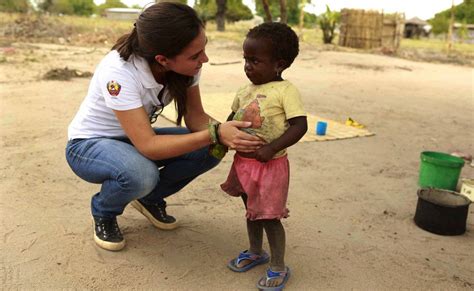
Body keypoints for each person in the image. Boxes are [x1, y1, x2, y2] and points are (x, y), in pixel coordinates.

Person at [65, 2, 263, 252]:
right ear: (162, 60)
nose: (205, 59)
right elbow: (149, 146)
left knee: (211, 148)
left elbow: (196, 118)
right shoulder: (118, 72)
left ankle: (149, 199)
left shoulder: (187, 67)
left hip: (134, 140)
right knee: (142, 173)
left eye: (204, 48)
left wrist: (234, 133)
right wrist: (215, 132)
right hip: (88, 146)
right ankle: (104, 211)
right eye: (195, 55)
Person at [220, 22, 307, 290]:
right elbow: (231, 119)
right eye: (245, 59)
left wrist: (270, 148)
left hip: (270, 166)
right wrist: (221, 139)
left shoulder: (285, 91)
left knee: (269, 216)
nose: (247, 66)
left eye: (255, 60)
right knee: (251, 211)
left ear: (278, 64)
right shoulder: (243, 91)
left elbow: (299, 125)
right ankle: (256, 251)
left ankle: (279, 266)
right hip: (244, 164)